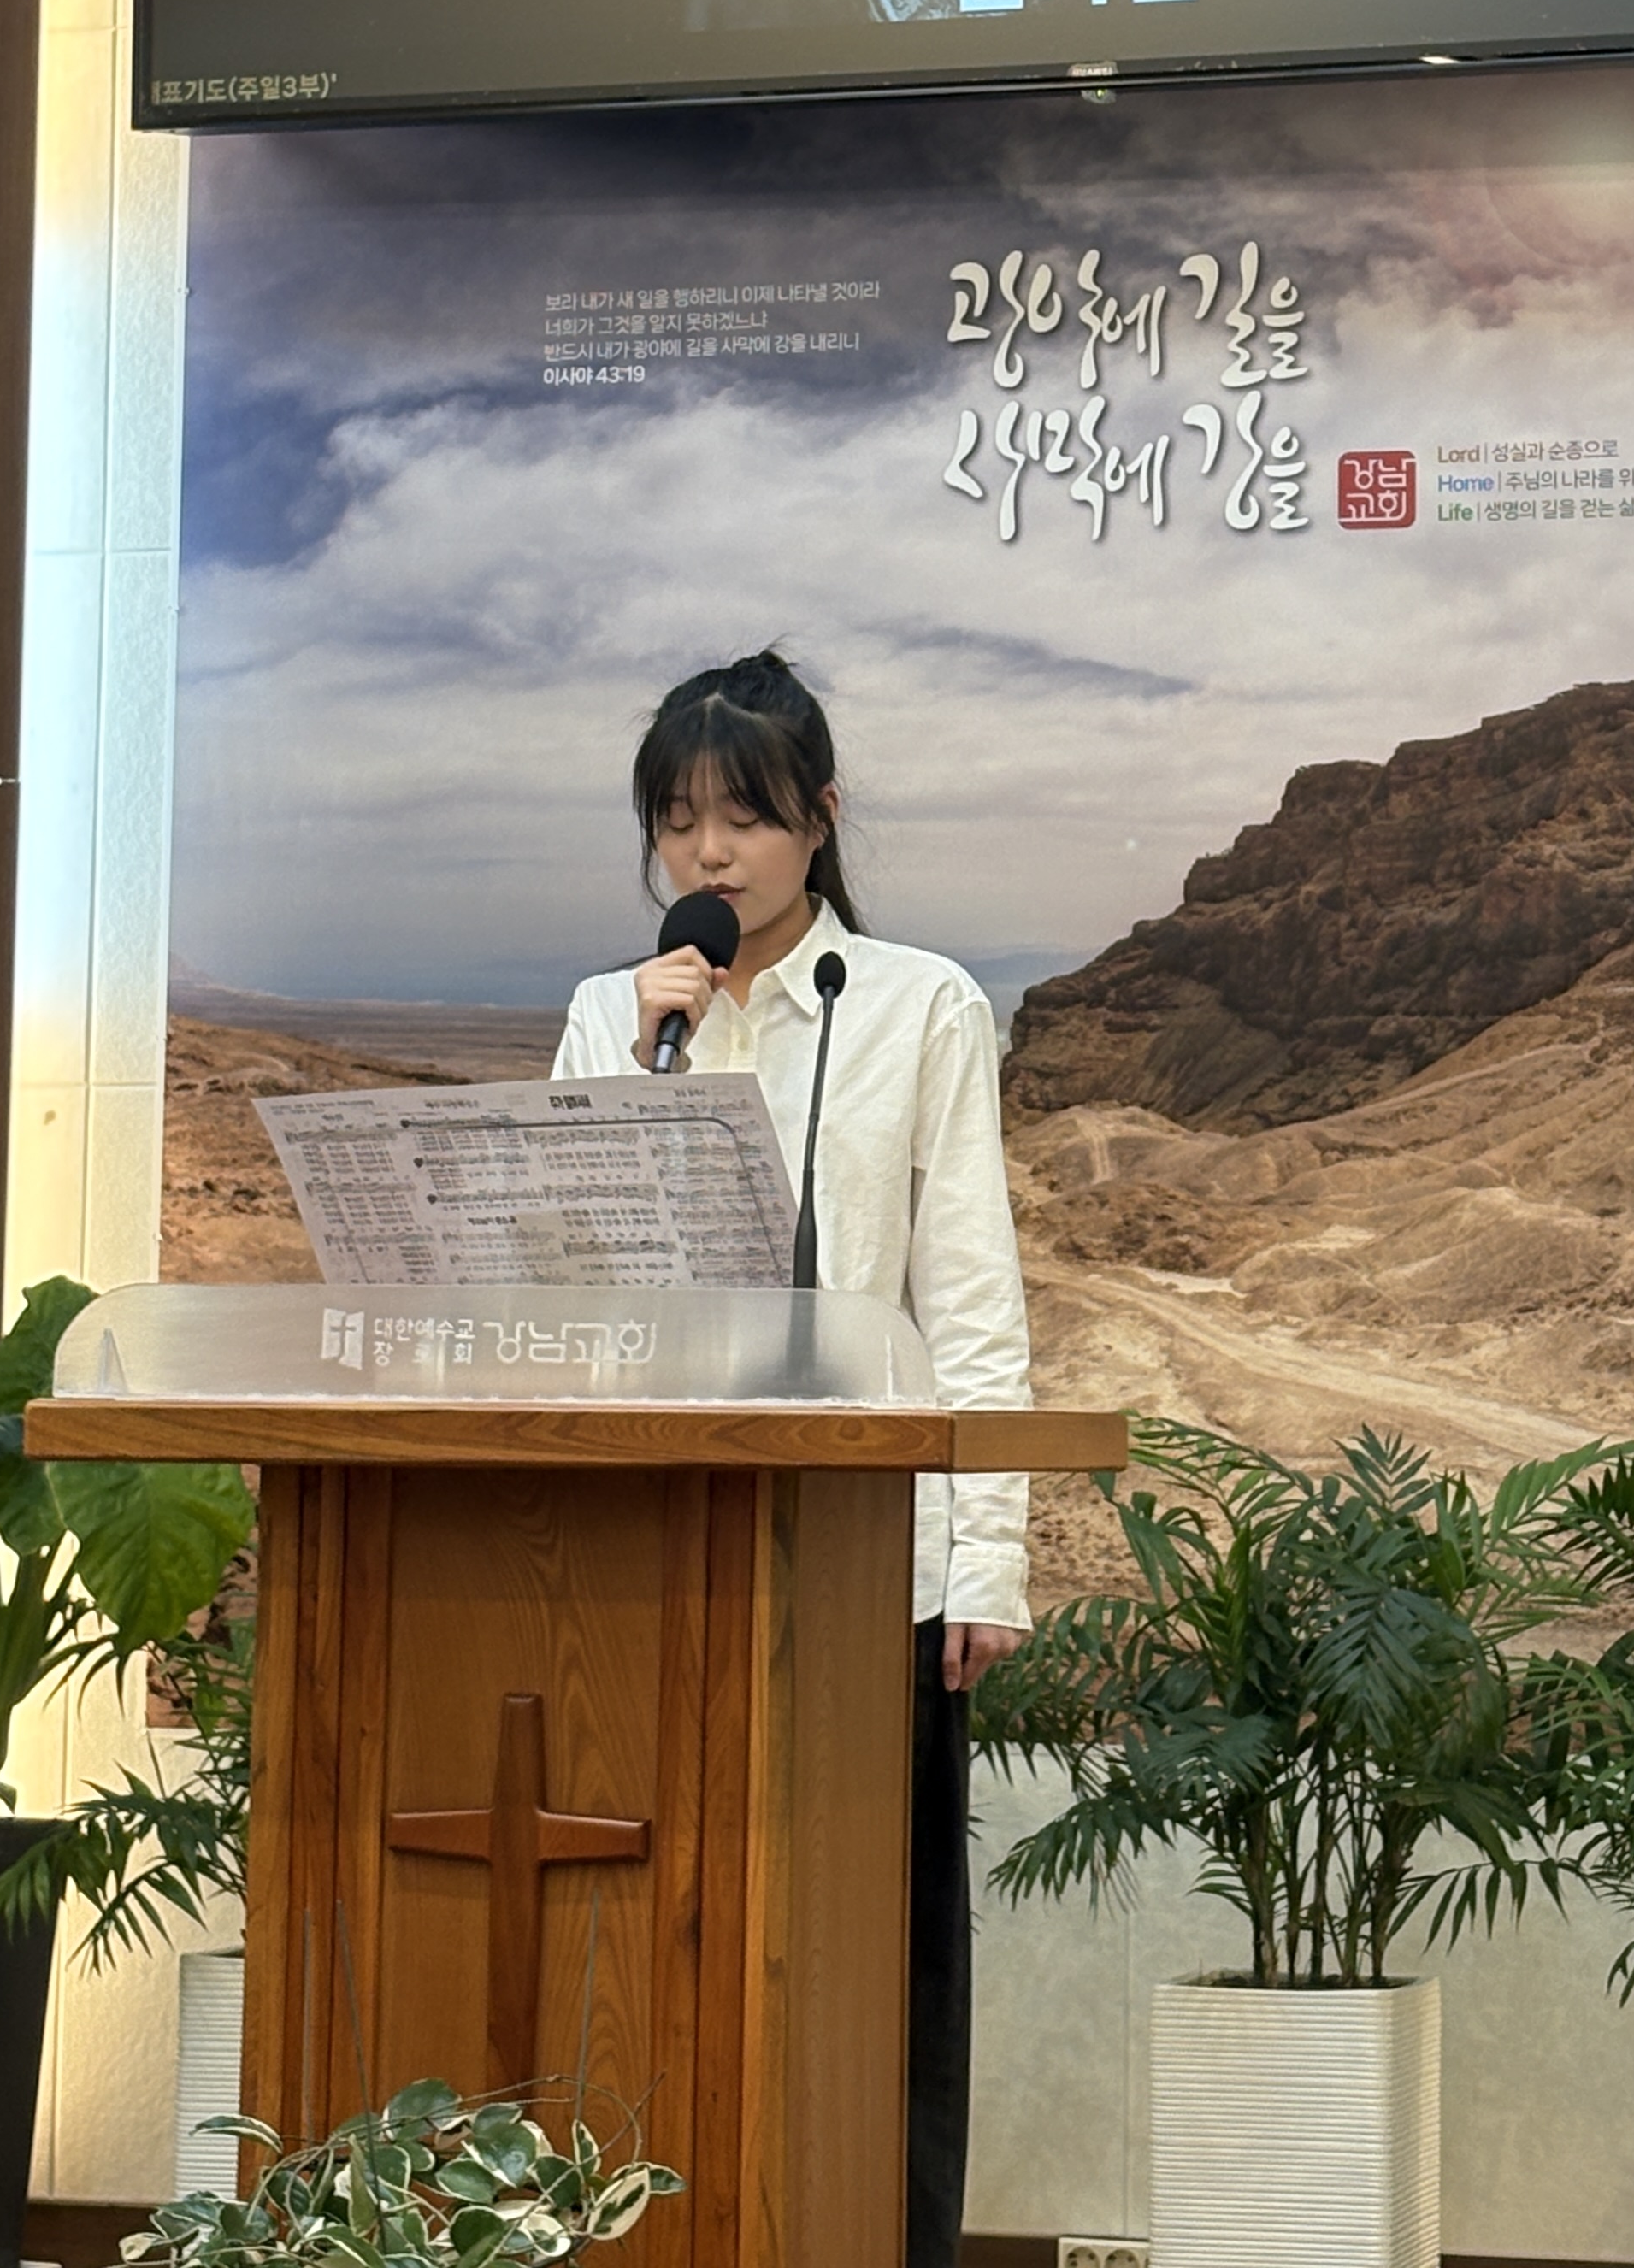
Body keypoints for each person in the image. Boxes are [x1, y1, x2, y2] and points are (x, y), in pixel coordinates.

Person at [552, 648, 1031, 2268]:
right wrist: (643, 1054)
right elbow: (563, 1278)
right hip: (653, 1558)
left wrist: (986, 1553)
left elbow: (968, 1299)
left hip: (867, 1565)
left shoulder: (920, 1006)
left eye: (744, 817)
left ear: (818, 820)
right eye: (678, 821)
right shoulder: (611, 1015)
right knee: (667, 1941)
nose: (709, 853)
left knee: (877, 1958)